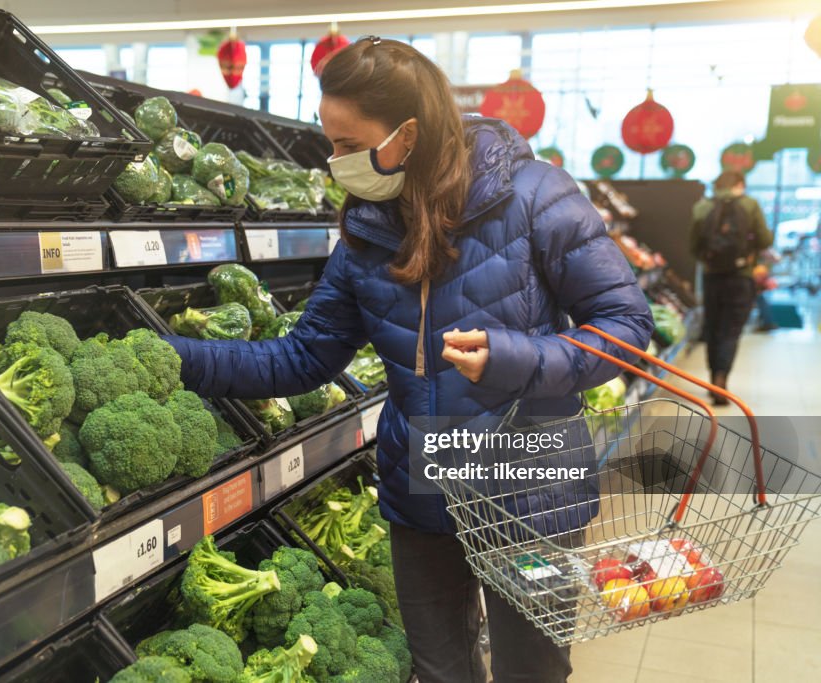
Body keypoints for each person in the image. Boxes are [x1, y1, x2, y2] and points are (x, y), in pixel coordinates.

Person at [165, 38, 652, 682]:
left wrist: (514, 357)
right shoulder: (368, 231)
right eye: (329, 142)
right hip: (420, 492)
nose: (336, 161)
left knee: (530, 671)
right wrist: (169, 357)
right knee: (439, 671)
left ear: (409, 133)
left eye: (347, 144)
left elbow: (625, 326)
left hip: (529, 491)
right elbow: (304, 358)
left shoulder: (536, 197)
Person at [689, 171, 773, 404]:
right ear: (740, 185)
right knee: (730, 330)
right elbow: (766, 240)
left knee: (713, 328)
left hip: (712, 276)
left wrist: (710, 260)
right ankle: (721, 377)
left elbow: (693, 246)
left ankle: (712, 377)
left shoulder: (703, 206)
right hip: (741, 276)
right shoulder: (750, 204)